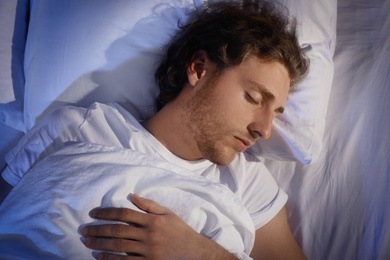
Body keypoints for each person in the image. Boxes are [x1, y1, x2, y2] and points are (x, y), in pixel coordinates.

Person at [0, 1, 308, 259]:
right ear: (199, 69)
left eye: (276, 113)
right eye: (254, 98)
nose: (265, 130)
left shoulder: (247, 182)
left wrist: (202, 254)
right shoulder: (79, 129)